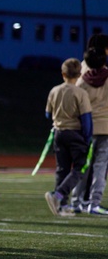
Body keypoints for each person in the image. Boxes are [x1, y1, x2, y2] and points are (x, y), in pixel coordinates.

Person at [44, 57, 92, 217]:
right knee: (80, 167)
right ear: (79, 74)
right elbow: (86, 118)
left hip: (58, 133)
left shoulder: (54, 90)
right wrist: (87, 138)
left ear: (63, 73)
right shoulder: (81, 93)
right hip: (74, 133)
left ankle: (61, 206)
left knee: (62, 169)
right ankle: (58, 196)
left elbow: (47, 114)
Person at [72, 47, 108, 214]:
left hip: (87, 129)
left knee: (83, 166)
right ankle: (94, 204)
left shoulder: (81, 82)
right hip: (106, 129)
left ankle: (76, 202)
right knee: (100, 168)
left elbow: (77, 108)